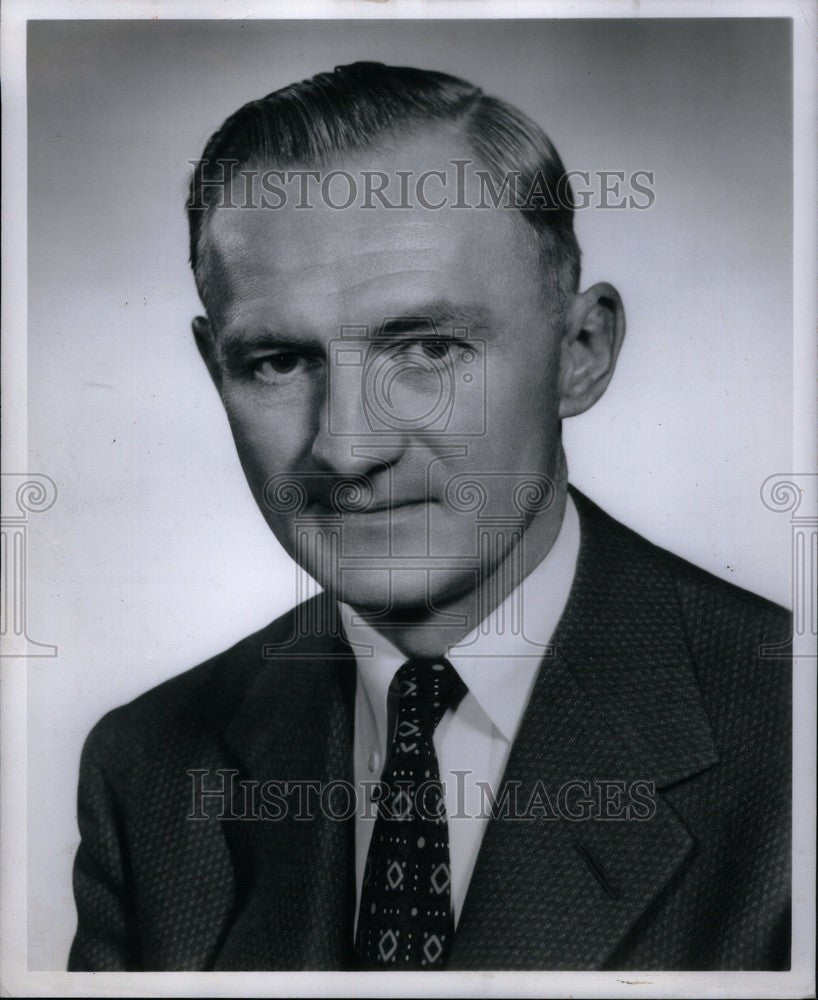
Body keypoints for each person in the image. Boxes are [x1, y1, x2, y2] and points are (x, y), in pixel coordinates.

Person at [68, 62, 791, 972]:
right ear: (217, 370)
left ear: (581, 352)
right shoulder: (148, 769)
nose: (347, 448)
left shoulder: (788, 744)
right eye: (279, 362)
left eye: (427, 348)